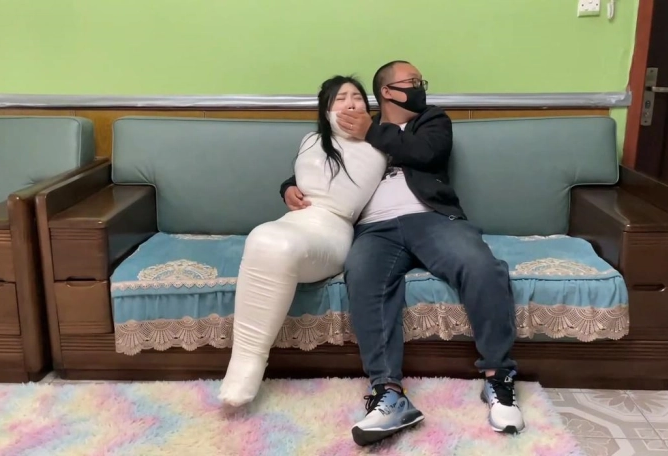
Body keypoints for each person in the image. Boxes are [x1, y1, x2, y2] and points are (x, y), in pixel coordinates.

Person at [280, 61, 525, 446]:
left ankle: (498, 378)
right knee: (361, 274)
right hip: (375, 229)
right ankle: (389, 393)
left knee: (481, 265)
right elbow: (321, 163)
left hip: (432, 219)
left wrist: (371, 131)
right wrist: (289, 187)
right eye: (412, 82)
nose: (420, 87)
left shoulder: (431, 121)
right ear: (388, 91)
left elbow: (427, 153)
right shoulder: (357, 126)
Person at [219, 76, 387, 407]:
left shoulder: (381, 143)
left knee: (278, 245)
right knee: (264, 238)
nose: (350, 103)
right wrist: (288, 187)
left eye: (357, 97)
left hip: (334, 230)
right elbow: (311, 175)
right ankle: (246, 360)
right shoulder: (311, 140)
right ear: (326, 110)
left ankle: (250, 361)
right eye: (340, 98)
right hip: (295, 222)